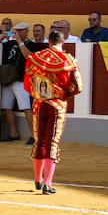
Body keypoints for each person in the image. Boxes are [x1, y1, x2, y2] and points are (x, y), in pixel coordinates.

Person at [25, 30, 82, 196]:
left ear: (49, 41)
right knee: (52, 142)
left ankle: (38, 179)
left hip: (39, 104)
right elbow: (78, 86)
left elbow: (28, 83)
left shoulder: (35, 58)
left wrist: (39, 94)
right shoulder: (69, 60)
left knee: (40, 140)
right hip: (57, 105)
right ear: (62, 42)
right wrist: (64, 95)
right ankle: (48, 184)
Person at [0, 25, 35, 144]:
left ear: (26, 31)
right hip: (9, 79)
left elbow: (29, 57)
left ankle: (33, 135)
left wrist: (19, 41)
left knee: (25, 107)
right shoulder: (10, 43)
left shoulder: (31, 44)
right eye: (16, 31)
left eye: (20, 31)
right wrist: (1, 38)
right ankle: (14, 134)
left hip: (21, 79)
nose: (17, 33)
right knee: (6, 106)